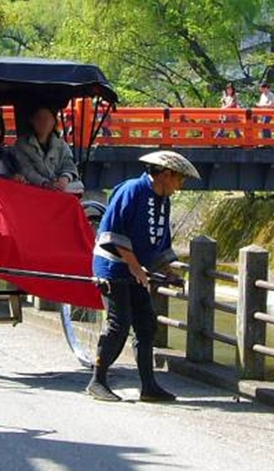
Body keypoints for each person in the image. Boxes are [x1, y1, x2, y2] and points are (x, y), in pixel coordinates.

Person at [87, 150, 200, 404]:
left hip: (136, 267)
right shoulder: (132, 190)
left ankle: (149, 386)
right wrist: (136, 267)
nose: (180, 186)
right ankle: (98, 380)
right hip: (112, 265)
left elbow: (157, 242)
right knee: (119, 323)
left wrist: (166, 270)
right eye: (179, 180)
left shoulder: (163, 200)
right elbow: (113, 233)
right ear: (166, 174)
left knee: (146, 324)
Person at [14, 106, 82, 193]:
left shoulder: (61, 144)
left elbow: (68, 164)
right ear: (32, 121)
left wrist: (65, 178)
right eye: (39, 118)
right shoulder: (22, 144)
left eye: (47, 118)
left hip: (61, 190)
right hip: (35, 191)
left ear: (54, 121)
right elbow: (26, 170)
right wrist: (45, 183)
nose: (43, 122)